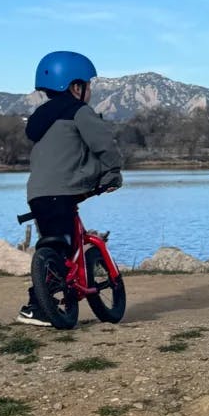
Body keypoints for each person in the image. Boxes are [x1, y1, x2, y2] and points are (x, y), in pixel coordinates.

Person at [18, 51, 123, 326]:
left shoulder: (39, 118)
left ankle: (51, 299)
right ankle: (38, 305)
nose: (90, 91)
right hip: (66, 188)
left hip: (37, 193)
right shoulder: (79, 112)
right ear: (75, 87)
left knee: (55, 244)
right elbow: (104, 143)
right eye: (88, 85)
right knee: (61, 248)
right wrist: (113, 172)